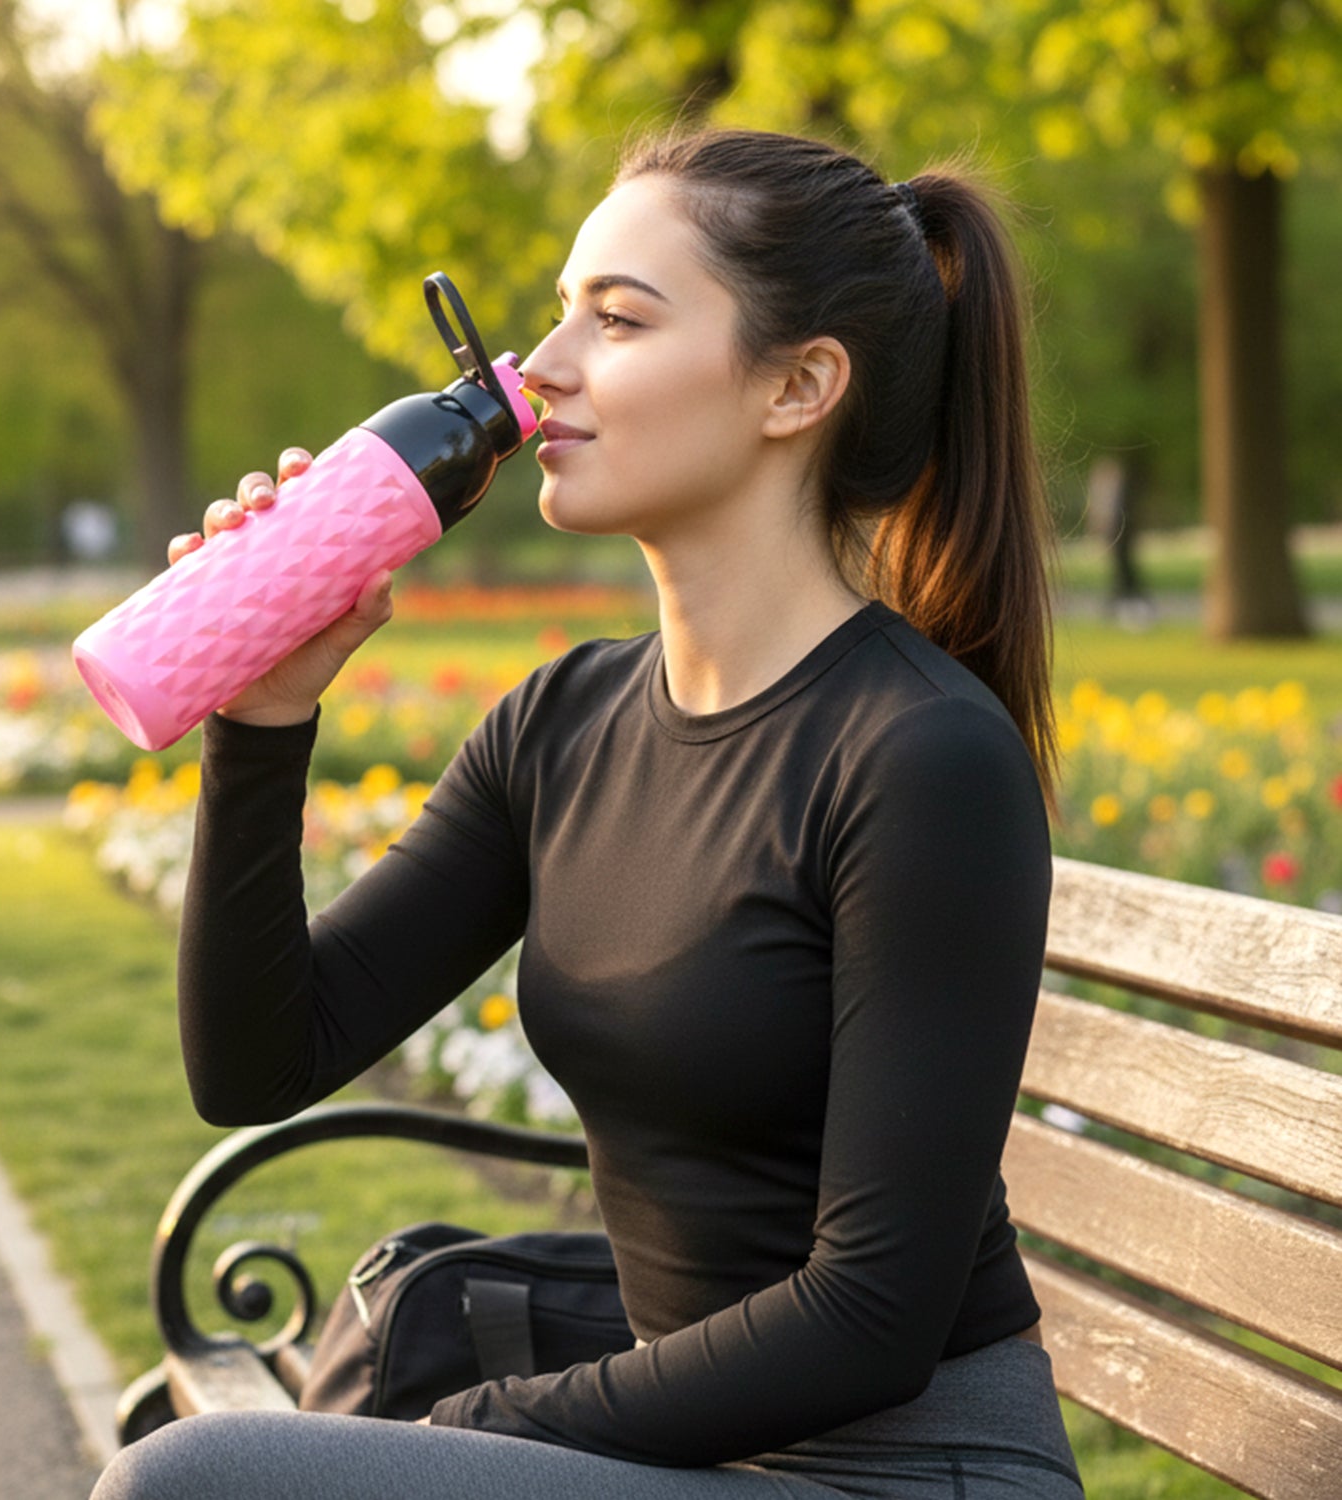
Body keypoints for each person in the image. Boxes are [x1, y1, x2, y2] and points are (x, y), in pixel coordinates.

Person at [93, 127, 1081, 1499]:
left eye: (617, 320)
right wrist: (261, 723)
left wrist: (483, 1425)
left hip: (897, 1473)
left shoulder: (920, 759)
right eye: (561, 311)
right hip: (682, 1450)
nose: (539, 368)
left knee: (195, 1482)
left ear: (799, 386)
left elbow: (872, 1314)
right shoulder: (563, 726)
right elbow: (256, 1067)